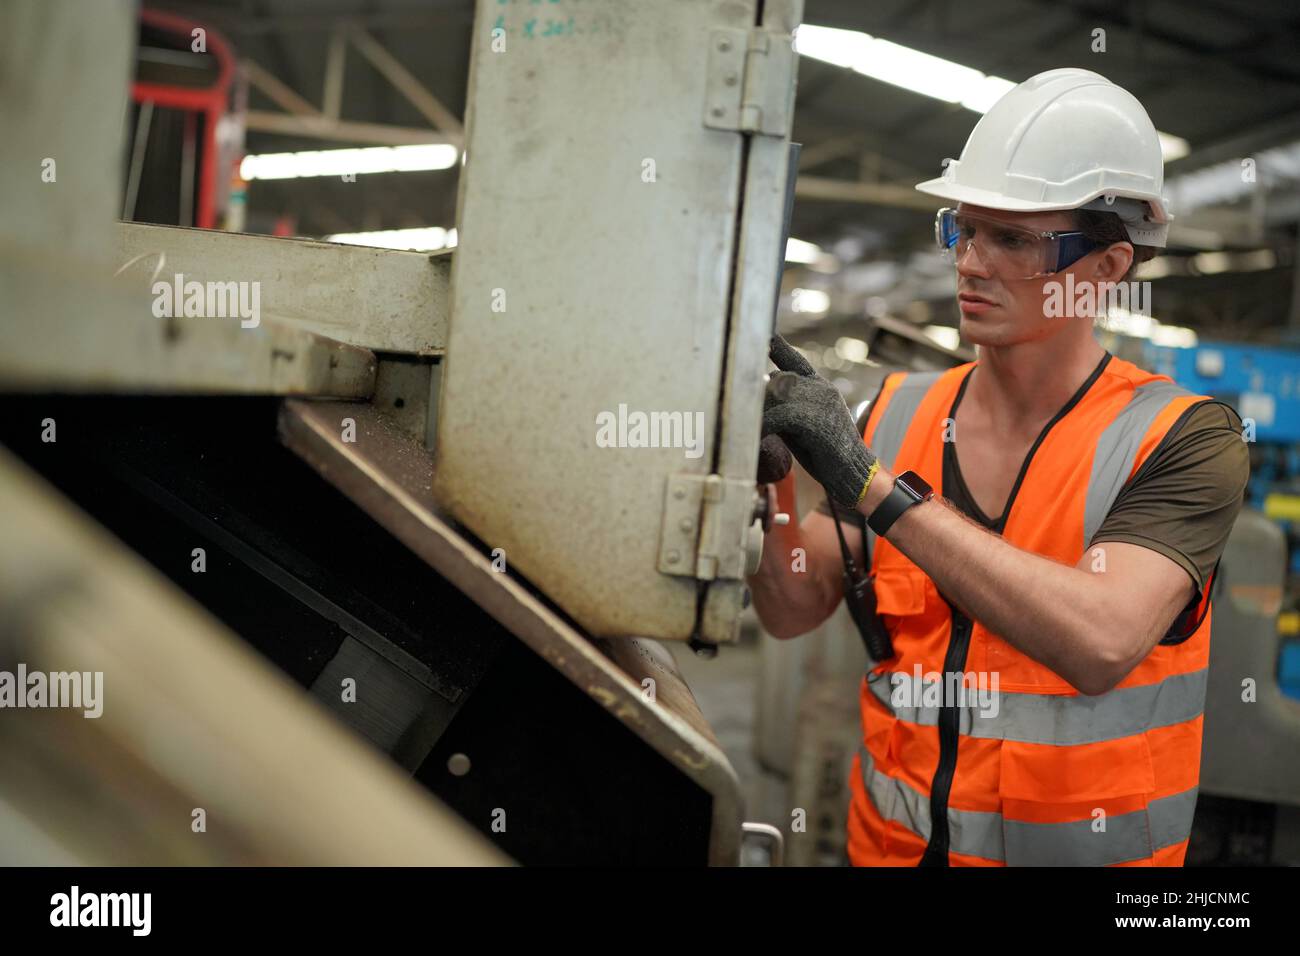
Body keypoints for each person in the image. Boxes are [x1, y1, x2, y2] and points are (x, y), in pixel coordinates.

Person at [749, 68, 1250, 866]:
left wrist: (868, 486)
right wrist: (772, 479)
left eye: (1013, 239)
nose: (971, 264)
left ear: (1107, 267)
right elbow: (790, 605)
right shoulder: (899, 410)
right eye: (964, 228)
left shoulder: (1181, 438)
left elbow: (1101, 643)